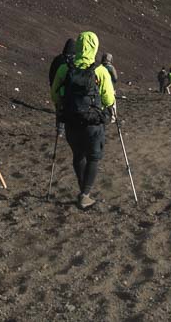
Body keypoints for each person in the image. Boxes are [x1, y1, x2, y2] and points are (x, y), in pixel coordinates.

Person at [50, 31, 117, 209]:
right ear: (94, 47)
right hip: (93, 122)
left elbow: (54, 93)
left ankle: (82, 191)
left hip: (71, 120)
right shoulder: (100, 71)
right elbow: (109, 98)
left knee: (78, 155)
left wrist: (63, 104)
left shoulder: (65, 69)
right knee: (94, 157)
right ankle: (85, 194)